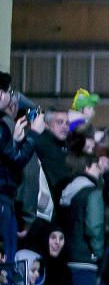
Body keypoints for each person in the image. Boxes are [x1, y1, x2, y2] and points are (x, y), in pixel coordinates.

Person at [59, 153, 105, 285]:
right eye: (96, 165)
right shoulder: (92, 192)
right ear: (87, 167)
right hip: (85, 255)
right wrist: (97, 251)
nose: (100, 170)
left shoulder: (68, 190)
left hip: (68, 252)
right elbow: (94, 226)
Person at [1, 73, 45, 263]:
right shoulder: (5, 126)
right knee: (7, 265)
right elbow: (24, 167)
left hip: (8, 202)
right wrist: (33, 134)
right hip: (6, 202)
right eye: (10, 92)